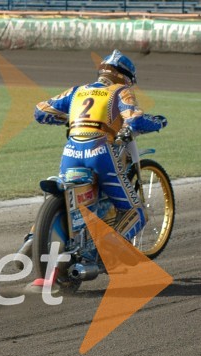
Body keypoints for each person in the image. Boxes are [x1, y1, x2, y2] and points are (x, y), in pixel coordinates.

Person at [34, 49, 167, 243]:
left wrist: (68, 120)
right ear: (124, 77)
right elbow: (135, 121)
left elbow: (40, 111)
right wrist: (158, 122)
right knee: (136, 212)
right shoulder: (120, 91)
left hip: (70, 153)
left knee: (66, 196)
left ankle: (33, 238)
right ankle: (110, 247)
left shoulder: (77, 91)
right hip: (100, 153)